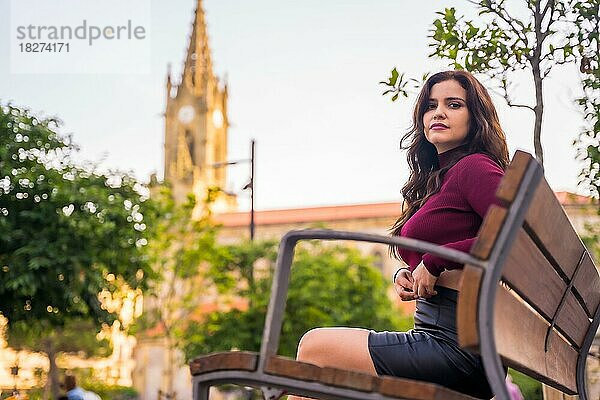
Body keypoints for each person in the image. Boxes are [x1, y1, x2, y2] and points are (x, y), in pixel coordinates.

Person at [288, 70, 510, 400]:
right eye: (430, 105)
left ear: (475, 118)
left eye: (453, 104)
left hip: (458, 347)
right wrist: (409, 272)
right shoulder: (440, 180)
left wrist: (434, 262)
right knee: (327, 369)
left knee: (315, 347)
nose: (438, 112)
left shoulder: (475, 167)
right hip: (443, 339)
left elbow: (511, 237)